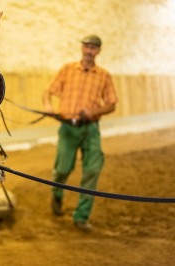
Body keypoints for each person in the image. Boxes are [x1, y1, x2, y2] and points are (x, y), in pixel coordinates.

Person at [43, 34, 118, 232]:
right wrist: (48, 107)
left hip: (91, 129)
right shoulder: (68, 70)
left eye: (93, 47)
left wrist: (92, 112)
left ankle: (81, 216)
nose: (89, 50)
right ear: (82, 48)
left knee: (92, 170)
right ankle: (57, 196)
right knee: (62, 169)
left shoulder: (104, 75)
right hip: (68, 128)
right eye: (86, 46)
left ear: (98, 51)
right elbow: (48, 92)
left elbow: (111, 104)